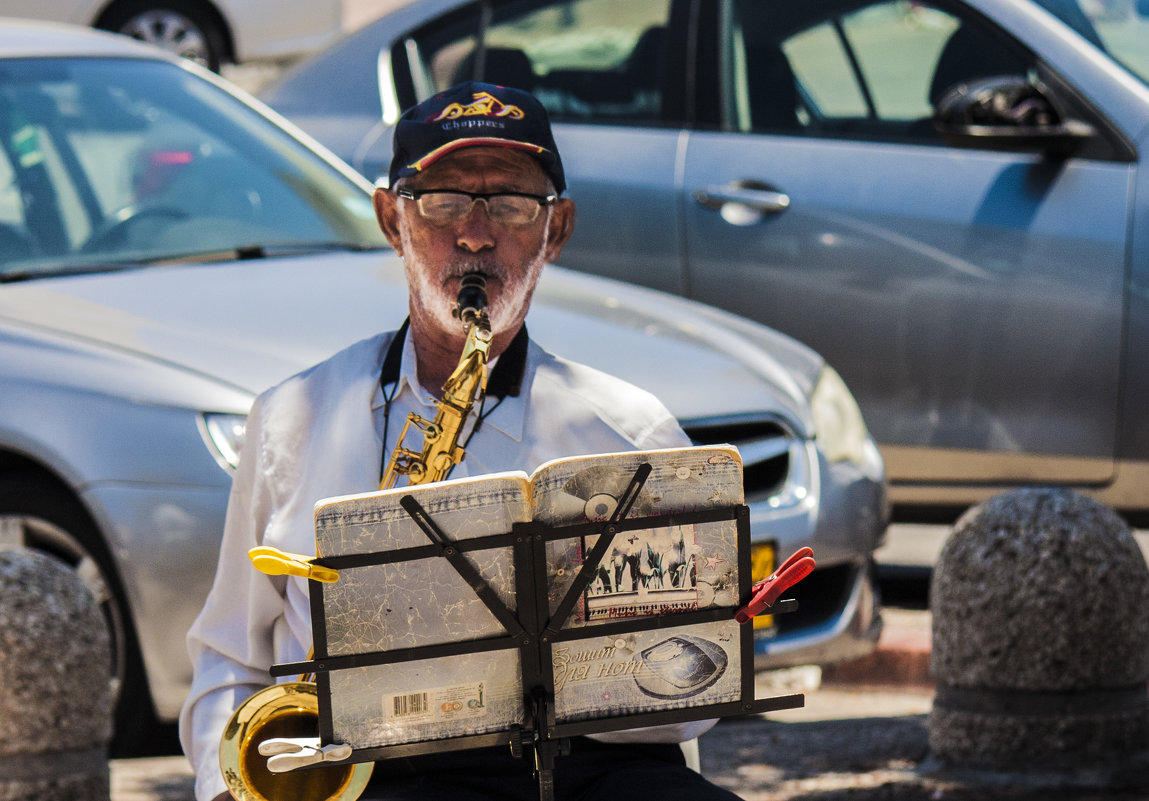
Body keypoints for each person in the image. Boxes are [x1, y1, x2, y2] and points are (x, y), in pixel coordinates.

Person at [179, 81, 741, 801]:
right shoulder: (292, 417)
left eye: (509, 204)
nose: (474, 234)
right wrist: (221, 785)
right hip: (381, 774)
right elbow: (229, 650)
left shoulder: (632, 432)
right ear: (392, 219)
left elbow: (691, 703)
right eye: (442, 202)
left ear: (556, 229)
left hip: (598, 766)